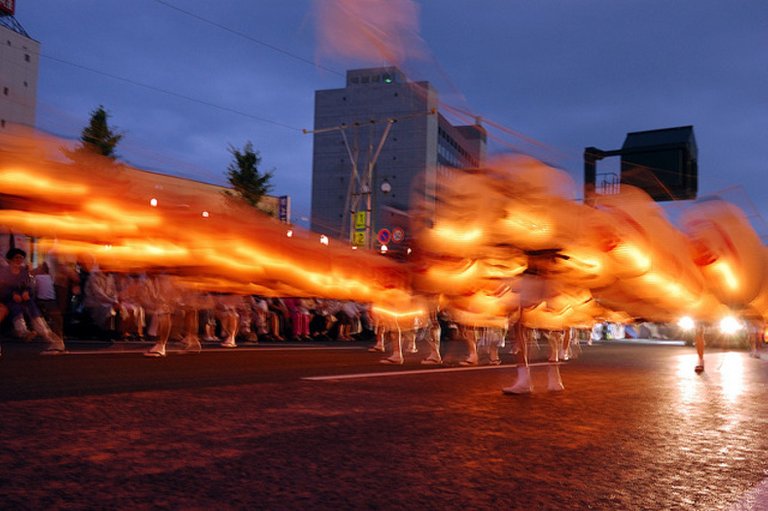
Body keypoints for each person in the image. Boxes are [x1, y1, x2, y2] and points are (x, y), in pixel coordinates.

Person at [0, 248, 65, 354]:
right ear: (10, 259)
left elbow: (29, 286)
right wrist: (12, 294)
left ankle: (52, 340)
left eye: (21, 258)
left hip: (25, 300)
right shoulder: (4, 272)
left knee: (36, 316)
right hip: (11, 300)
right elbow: (3, 288)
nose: (19, 260)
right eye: (16, 257)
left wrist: (26, 292)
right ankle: (23, 332)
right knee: (16, 312)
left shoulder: (24, 272)